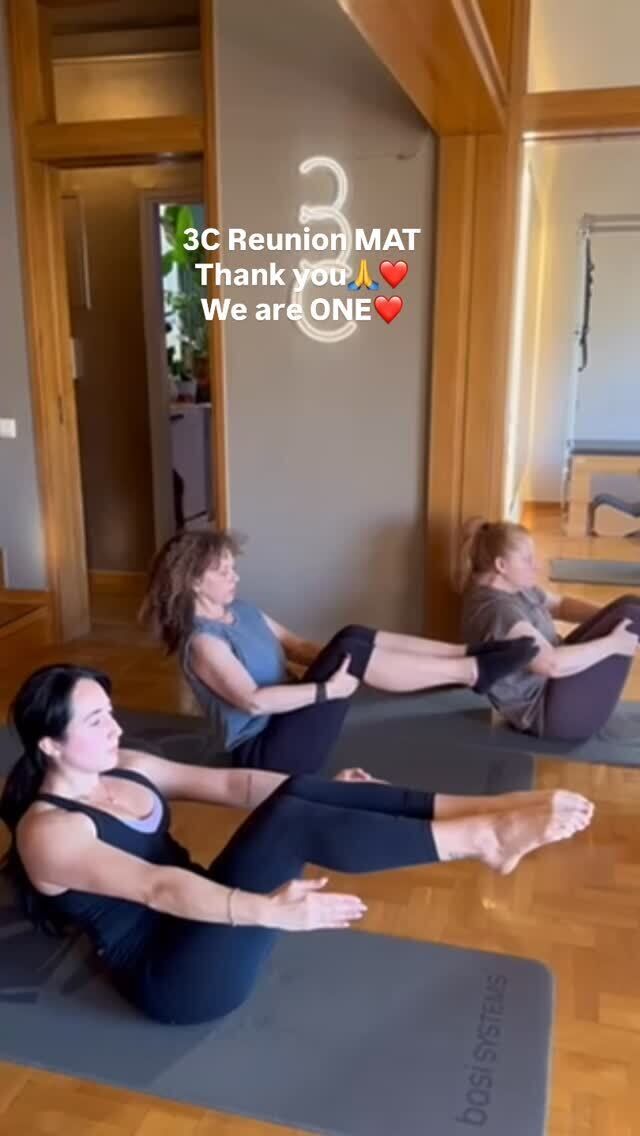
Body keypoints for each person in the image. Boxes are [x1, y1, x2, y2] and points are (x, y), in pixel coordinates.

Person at [1, 664, 593, 1025]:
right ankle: (484, 837)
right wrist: (272, 912)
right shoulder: (49, 833)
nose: (117, 728)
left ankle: (492, 812)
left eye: (111, 713)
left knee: (299, 797)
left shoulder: (127, 767)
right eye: (96, 722)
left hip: (205, 913)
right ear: (49, 745)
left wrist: (329, 790)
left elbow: (234, 785)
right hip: (175, 977)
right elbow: (158, 887)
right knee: (293, 822)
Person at [139, 530, 538, 774]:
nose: (235, 576)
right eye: (223, 572)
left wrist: (349, 656)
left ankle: (467, 655)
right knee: (350, 647)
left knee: (350, 636)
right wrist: (327, 690)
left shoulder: (242, 610)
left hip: (293, 721)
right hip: (266, 752)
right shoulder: (202, 642)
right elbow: (253, 701)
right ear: (193, 583)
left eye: (233, 567)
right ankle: (472, 671)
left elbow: (299, 647)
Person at [458, 517, 640, 740]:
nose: (537, 565)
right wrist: (613, 644)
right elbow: (551, 665)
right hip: (551, 714)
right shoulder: (497, 611)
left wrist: (610, 616)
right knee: (633, 615)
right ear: (501, 565)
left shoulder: (513, 586)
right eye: (527, 559)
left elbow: (560, 605)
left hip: (559, 686)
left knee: (629, 606)